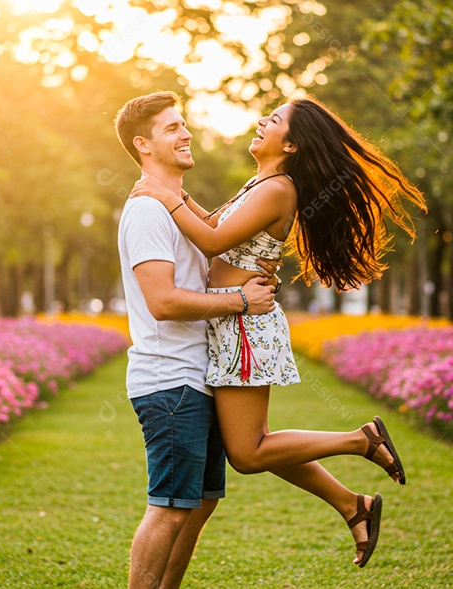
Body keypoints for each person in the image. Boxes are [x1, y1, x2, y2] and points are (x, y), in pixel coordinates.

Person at [131, 96, 427, 567]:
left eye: (272, 120)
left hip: (245, 327)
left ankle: (360, 441)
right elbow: (211, 226)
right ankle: (353, 505)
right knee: (252, 446)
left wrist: (165, 196)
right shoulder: (258, 184)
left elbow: (210, 241)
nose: (260, 122)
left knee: (249, 453)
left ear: (290, 145)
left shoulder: (278, 189)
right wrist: (172, 194)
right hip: (232, 323)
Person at [114, 91, 278, 589]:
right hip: (170, 381)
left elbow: (217, 243)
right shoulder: (147, 212)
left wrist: (255, 272)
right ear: (143, 145)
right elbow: (163, 301)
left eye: (183, 124)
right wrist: (241, 301)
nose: (186, 134)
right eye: (171, 128)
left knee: (198, 505)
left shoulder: (174, 208)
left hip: (198, 375)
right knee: (168, 509)